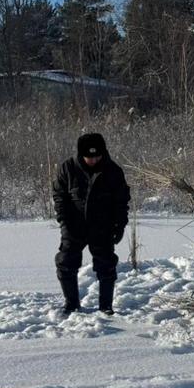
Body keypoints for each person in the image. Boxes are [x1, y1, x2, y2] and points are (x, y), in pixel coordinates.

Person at [51, 133, 130, 316]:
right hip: (74, 225)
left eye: (97, 156)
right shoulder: (68, 168)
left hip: (103, 225)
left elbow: (121, 201)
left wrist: (120, 225)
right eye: (89, 156)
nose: (93, 160)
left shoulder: (113, 171)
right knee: (65, 262)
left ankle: (105, 306)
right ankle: (71, 304)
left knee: (106, 265)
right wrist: (64, 221)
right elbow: (59, 197)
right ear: (81, 154)